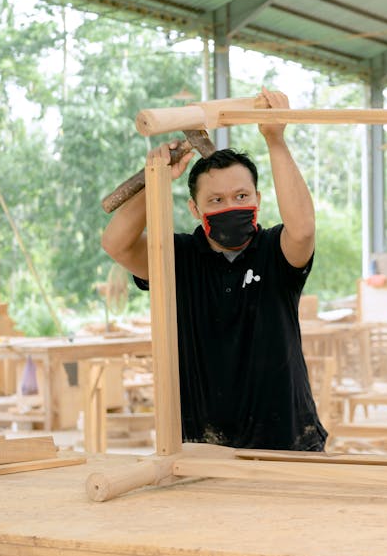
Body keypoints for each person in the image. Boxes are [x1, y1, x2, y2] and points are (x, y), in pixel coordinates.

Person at [101, 86, 327, 452]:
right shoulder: (178, 256)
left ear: (257, 200)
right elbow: (117, 244)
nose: (231, 207)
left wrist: (275, 140)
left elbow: (302, 229)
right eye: (216, 200)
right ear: (195, 209)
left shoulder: (274, 252)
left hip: (287, 443)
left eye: (241, 197)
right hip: (200, 449)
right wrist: (156, 178)